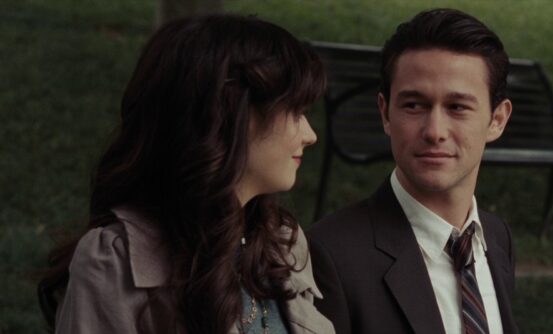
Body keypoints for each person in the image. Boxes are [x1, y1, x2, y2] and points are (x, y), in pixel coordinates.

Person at [38, 15, 334, 334]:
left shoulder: (281, 240)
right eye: (294, 111)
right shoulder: (114, 262)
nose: (310, 134)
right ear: (229, 114)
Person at [309, 8, 518, 334]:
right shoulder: (331, 255)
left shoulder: (495, 238)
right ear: (385, 113)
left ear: (497, 120)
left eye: (457, 107)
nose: (435, 131)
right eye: (414, 105)